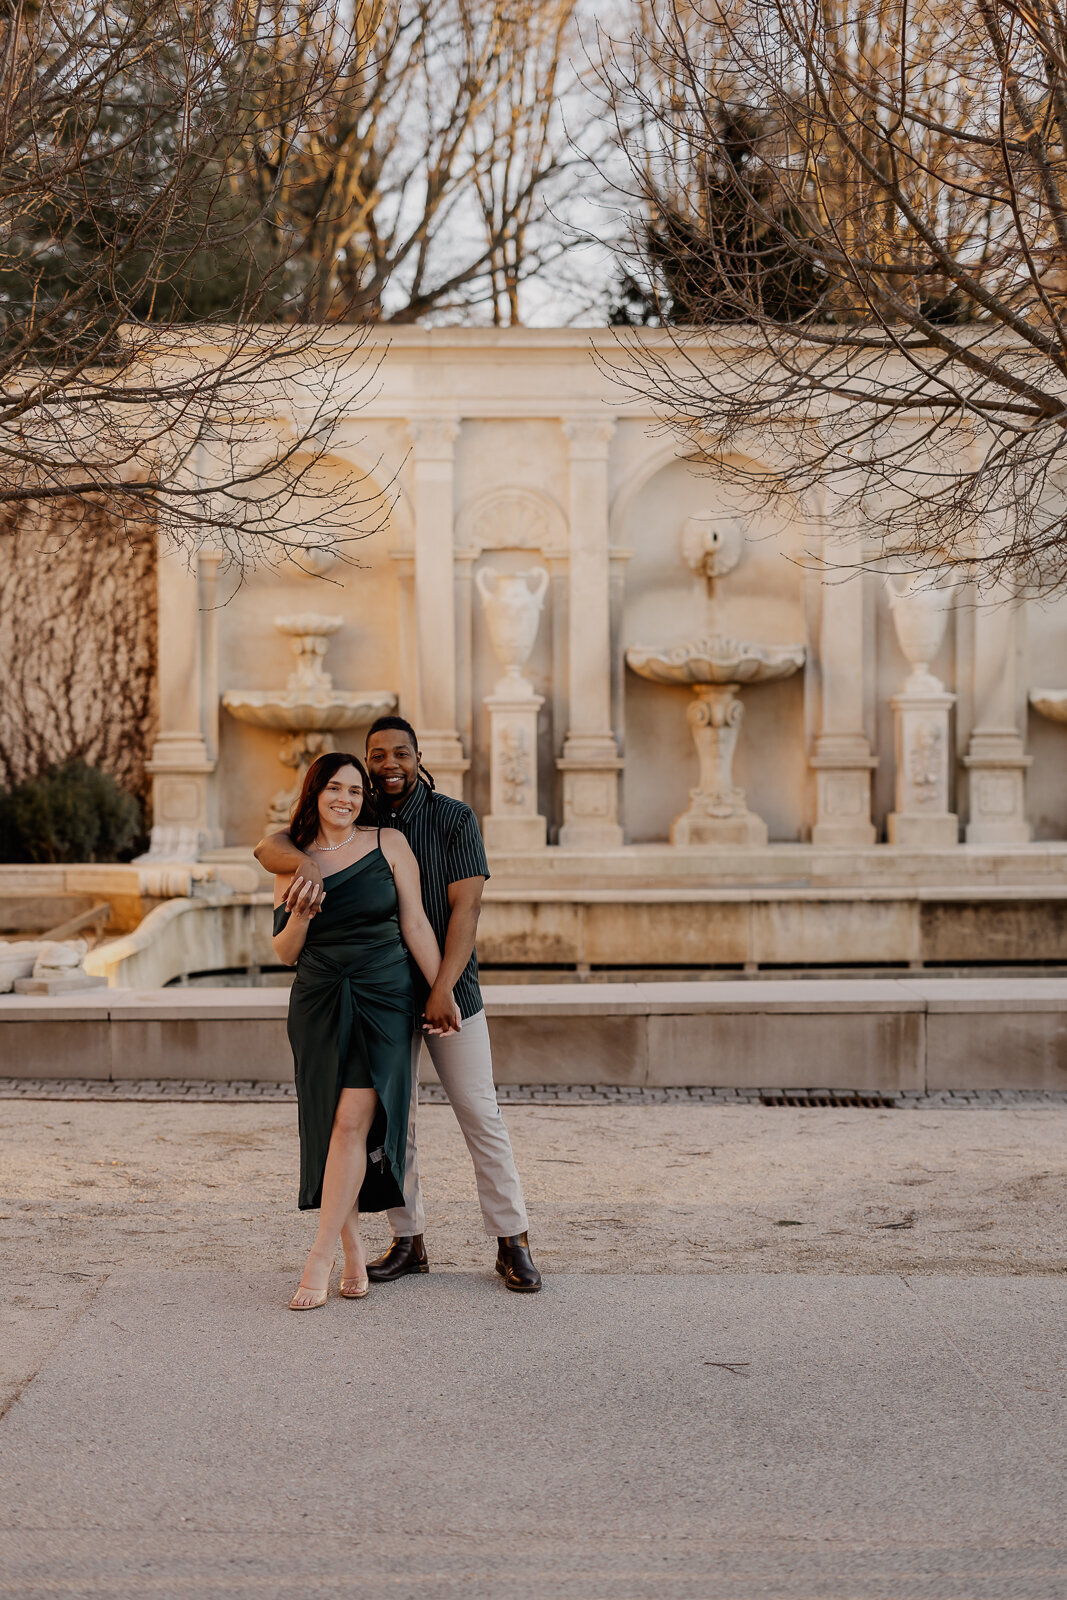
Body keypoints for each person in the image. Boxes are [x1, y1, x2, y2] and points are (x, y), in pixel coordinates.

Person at [256, 716, 541, 1293]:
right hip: (378, 996)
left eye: (399, 754)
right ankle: (408, 1241)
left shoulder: (452, 818)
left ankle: (513, 1240)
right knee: (392, 1123)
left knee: (478, 1112)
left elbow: (464, 912)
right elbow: (277, 841)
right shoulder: (362, 815)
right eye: (376, 757)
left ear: (417, 756)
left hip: (446, 988)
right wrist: (303, 863)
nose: (388, 766)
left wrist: (443, 991)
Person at [271, 750, 458, 1311]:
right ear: (315, 793)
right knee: (332, 1128)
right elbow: (283, 953)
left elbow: (415, 921)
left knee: (354, 1120)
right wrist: (300, 916)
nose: (345, 799)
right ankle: (353, 1251)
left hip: (384, 996)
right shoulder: (291, 860)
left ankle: (319, 1257)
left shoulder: (387, 845)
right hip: (319, 1000)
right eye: (334, 788)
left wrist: (442, 990)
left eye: (355, 790)